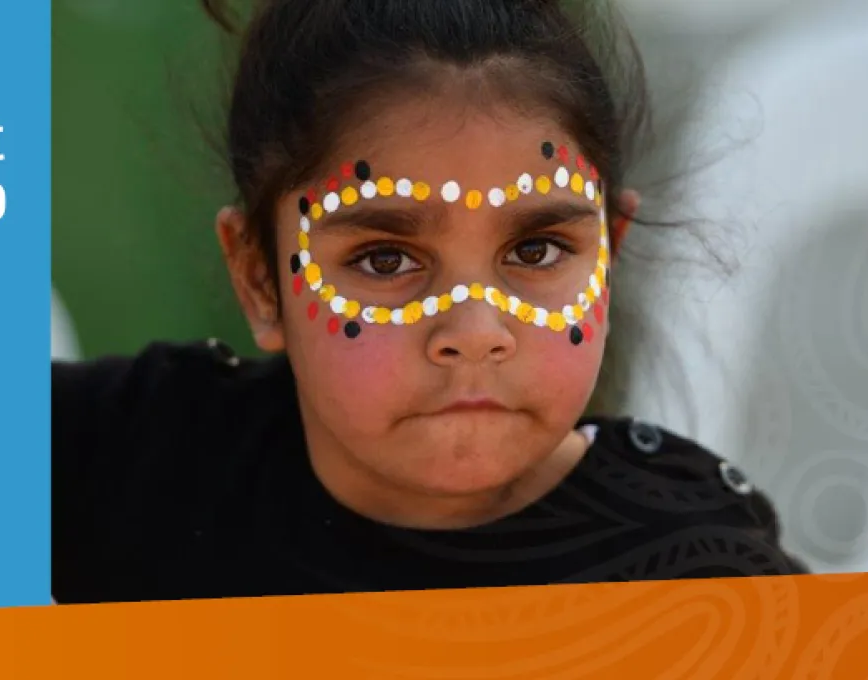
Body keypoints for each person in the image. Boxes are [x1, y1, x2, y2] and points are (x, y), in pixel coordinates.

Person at [51, 0, 807, 605]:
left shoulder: (693, 577)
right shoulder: (138, 459)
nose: (475, 332)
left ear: (608, 257)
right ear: (259, 280)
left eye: (536, 251)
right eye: (385, 260)